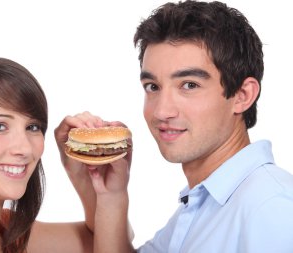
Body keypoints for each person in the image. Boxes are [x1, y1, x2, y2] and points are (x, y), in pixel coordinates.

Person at [96, 1, 293, 252]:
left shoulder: (273, 207)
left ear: (243, 95)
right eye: (153, 87)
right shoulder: (204, 203)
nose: (161, 111)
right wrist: (110, 194)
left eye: (189, 85)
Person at [0, 56, 132, 253]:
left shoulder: (10, 234)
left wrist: (89, 180)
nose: (25, 148)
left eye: (33, 127)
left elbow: (113, 241)